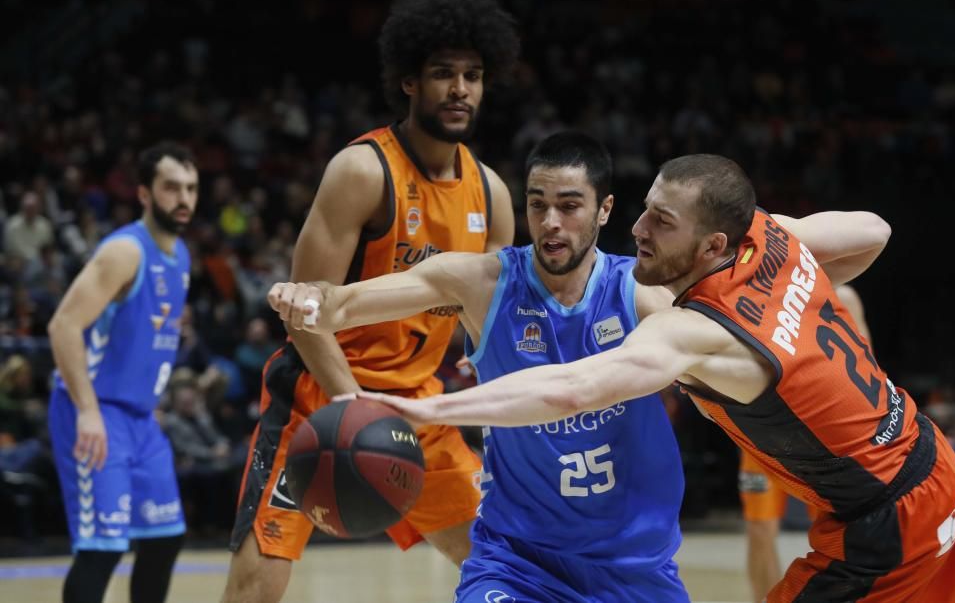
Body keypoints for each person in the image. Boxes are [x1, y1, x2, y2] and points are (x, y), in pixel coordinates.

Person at [305, 154, 955, 602]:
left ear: (714, 245)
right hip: (931, 467)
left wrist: (424, 412)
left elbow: (569, 389)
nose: (639, 229)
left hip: (884, 520)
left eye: (663, 222)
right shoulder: (772, 242)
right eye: (646, 208)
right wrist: (790, 276)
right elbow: (873, 230)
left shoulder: (698, 329)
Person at [272, 130, 690, 601]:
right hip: (515, 562)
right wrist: (308, 298)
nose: (550, 222)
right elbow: (343, 305)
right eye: (537, 205)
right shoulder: (484, 283)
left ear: (605, 210)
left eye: (569, 207)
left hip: (634, 568)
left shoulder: (641, 298)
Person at [222, 0, 519, 603]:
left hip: (419, 406)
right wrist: (350, 405)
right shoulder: (362, 170)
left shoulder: (490, 194)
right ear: (410, 81)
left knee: (507, 567)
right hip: (319, 399)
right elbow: (306, 312)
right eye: (443, 74)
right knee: (255, 590)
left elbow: (494, 329)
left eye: (473, 75)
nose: (461, 88)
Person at [47, 142, 198, 603]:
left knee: (165, 537)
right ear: (145, 195)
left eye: (191, 188)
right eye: (171, 188)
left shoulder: (182, 255)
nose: (184, 199)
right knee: (102, 550)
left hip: (141, 419)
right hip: (95, 411)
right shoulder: (125, 251)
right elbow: (64, 326)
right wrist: (88, 412)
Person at [739, 284, 869, 603]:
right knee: (759, 530)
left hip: (825, 435)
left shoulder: (844, 296)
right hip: (763, 433)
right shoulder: (753, 294)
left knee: (840, 537)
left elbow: (868, 367)